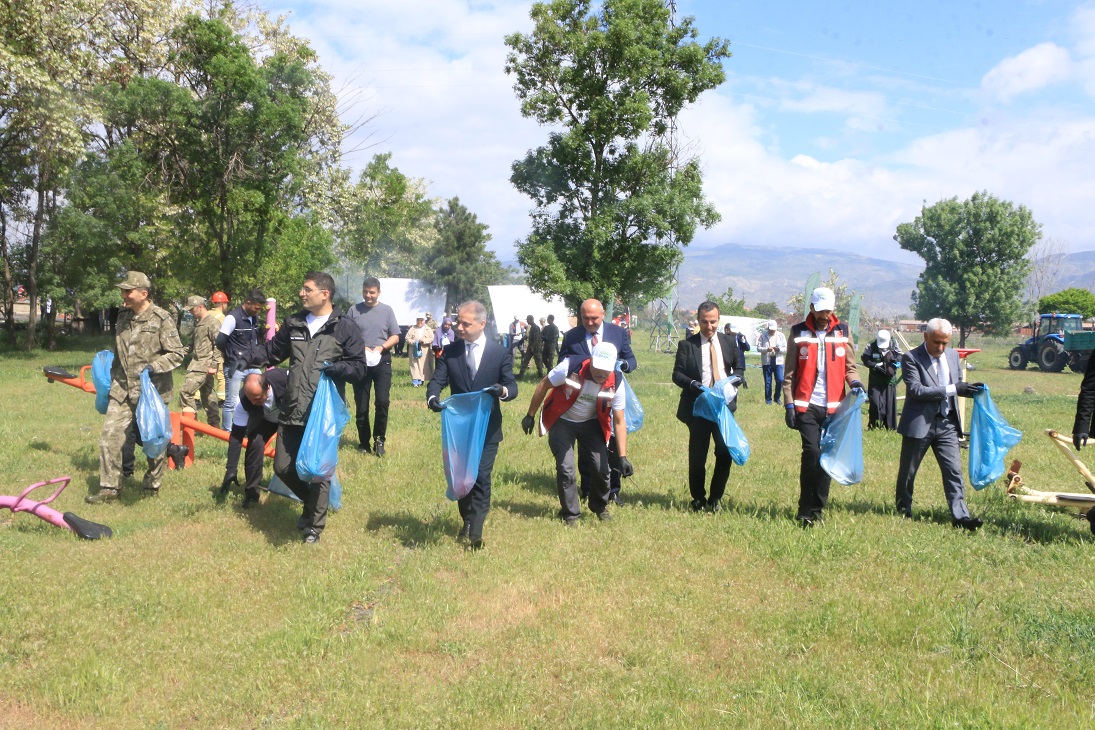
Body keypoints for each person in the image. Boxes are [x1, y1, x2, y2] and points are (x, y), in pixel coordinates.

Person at [246, 272, 366, 543]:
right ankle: (312, 505)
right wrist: (243, 355)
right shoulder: (294, 323)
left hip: (322, 413)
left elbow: (359, 367)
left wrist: (338, 368)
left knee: (317, 469)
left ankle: (314, 526)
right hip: (292, 408)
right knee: (283, 467)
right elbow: (272, 352)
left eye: (307, 289)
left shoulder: (344, 326)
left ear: (325, 294)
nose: (302, 293)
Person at [86, 271, 187, 504]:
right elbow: (119, 351)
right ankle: (109, 489)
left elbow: (178, 353)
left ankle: (152, 484)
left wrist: (155, 366)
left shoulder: (161, 319)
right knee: (109, 437)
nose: (124, 295)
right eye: (123, 290)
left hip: (151, 391)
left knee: (153, 440)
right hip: (121, 388)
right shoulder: (122, 316)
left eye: (128, 291)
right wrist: (111, 376)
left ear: (144, 293)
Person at [427, 300, 517, 550]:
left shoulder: (499, 353)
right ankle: (466, 520)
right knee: (462, 476)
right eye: (458, 322)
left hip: (488, 428)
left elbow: (513, 387)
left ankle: (476, 530)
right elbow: (437, 381)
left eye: (465, 323)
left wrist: (502, 391)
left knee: (481, 476)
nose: (459, 327)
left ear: (481, 323)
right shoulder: (451, 351)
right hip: (459, 428)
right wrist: (432, 397)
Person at [523, 342, 631, 524]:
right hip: (563, 421)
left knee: (601, 469)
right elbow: (544, 384)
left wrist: (622, 456)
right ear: (591, 361)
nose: (600, 373)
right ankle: (570, 513)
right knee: (566, 470)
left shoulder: (617, 382)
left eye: (606, 370)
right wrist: (530, 415)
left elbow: (619, 421)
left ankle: (599, 506)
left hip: (591, 424)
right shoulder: (570, 366)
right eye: (597, 367)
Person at [782, 287, 863, 527]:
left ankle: (816, 510)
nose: (824, 315)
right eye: (820, 311)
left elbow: (850, 367)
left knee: (827, 458)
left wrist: (856, 383)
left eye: (828, 310)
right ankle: (804, 508)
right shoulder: (798, 332)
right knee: (812, 453)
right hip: (806, 406)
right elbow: (789, 372)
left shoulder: (843, 332)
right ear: (811, 308)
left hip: (834, 409)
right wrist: (788, 404)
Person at [895, 318, 985, 530]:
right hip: (920, 423)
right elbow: (916, 390)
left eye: (945, 343)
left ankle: (961, 517)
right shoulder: (911, 358)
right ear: (925, 337)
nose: (941, 347)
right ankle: (903, 509)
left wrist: (970, 390)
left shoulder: (953, 355)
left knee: (953, 471)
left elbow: (957, 385)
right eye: (936, 342)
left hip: (947, 424)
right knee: (909, 471)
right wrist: (954, 389)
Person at [559, 298, 638, 504]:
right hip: (583, 400)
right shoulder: (571, 336)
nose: (590, 322)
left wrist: (623, 367)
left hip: (608, 396)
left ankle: (613, 490)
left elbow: (631, 359)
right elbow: (562, 362)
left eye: (594, 318)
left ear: (603, 314)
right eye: (585, 318)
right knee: (587, 447)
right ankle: (587, 488)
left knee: (611, 442)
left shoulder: (618, 333)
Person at [673, 301, 744, 512]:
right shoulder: (688, 345)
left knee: (724, 452)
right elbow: (677, 374)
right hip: (698, 407)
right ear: (699, 321)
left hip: (722, 408)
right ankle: (698, 498)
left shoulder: (730, 342)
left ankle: (715, 498)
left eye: (713, 322)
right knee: (698, 455)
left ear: (719, 320)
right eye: (704, 322)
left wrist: (734, 381)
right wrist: (693, 385)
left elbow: (739, 368)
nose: (709, 326)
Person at [346, 277, 400, 456]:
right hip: (360, 362)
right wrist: (359, 348)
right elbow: (346, 335)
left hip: (382, 360)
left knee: (382, 401)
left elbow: (395, 336)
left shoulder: (387, 310)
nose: (368, 296)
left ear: (378, 292)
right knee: (361, 404)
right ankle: (363, 442)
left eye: (372, 292)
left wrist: (382, 347)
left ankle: (379, 440)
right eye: (365, 292)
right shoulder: (354, 310)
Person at [221, 369, 287, 507]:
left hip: (289, 418)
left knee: (284, 457)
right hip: (266, 419)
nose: (253, 402)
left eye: (257, 399)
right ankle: (251, 494)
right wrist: (231, 469)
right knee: (254, 444)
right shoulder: (245, 401)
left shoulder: (285, 382)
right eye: (250, 399)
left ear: (267, 388)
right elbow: (236, 436)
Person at [216, 289, 266, 430]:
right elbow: (220, 341)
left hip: (252, 364)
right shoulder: (232, 317)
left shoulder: (254, 318)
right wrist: (228, 355)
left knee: (260, 395)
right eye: (256, 308)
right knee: (231, 401)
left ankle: (251, 428)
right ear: (248, 302)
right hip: (234, 366)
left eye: (260, 309)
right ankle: (226, 431)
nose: (258, 312)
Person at [179, 295, 222, 428]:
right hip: (198, 364)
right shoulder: (199, 323)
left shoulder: (212, 323)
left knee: (186, 392)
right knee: (207, 395)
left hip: (204, 365)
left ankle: (192, 425)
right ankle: (214, 426)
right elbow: (191, 345)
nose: (190, 312)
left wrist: (214, 365)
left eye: (192, 309)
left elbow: (219, 344)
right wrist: (176, 353)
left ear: (200, 307)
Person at [862, 329, 902, 430]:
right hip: (875, 380)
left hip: (889, 380)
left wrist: (898, 362)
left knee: (889, 405)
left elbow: (900, 355)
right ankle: (874, 426)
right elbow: (865, 358)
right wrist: (873, 365)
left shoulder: (894, 344)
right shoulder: (871, 345)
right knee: (875, 403)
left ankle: (889, 427)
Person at [757, 320, 786, 406]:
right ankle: (768, 400)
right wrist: (766, 349)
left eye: (774, 329)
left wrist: (779, 349)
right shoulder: (762, 336)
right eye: (771, 329)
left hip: (778, 361)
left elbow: (785, 348)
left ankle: (777, 398)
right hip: (767, 361)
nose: (772, 331)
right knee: (768, 382)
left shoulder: (781, 335)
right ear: (768, 328)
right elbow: (758, 348)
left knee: (780, 380)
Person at [209, 291, 230, 403]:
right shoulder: (222, 317)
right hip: (216, 350)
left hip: (204, 350)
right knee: (221, 375)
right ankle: (222, 399)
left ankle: (196, 399)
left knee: (202, 374)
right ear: (223, 304)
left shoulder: (206, 314)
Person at [405, 314, 434, 386]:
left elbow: (432, 338)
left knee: (424, 366)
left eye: (421, 320)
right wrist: (415, 342)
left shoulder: (428, 329)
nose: (419, 322)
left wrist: (424, 340)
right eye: (418, 320)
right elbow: (407, 338)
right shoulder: (412, 329)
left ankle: (422, 380)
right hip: (414, 350)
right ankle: (416, 381)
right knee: (415, 365)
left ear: (424, 321)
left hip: (425, 351)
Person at [517, 314, 544, 379]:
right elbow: (529, 336)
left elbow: (537, 338)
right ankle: (521, 374)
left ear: (531, 320)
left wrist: (532, 347)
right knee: (525, 360)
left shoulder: (536, 327)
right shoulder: (531, 327)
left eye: (528, 320)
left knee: (538, 362)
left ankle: (541, 375)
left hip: (535, 348)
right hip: (530, 347)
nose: (527, 321)